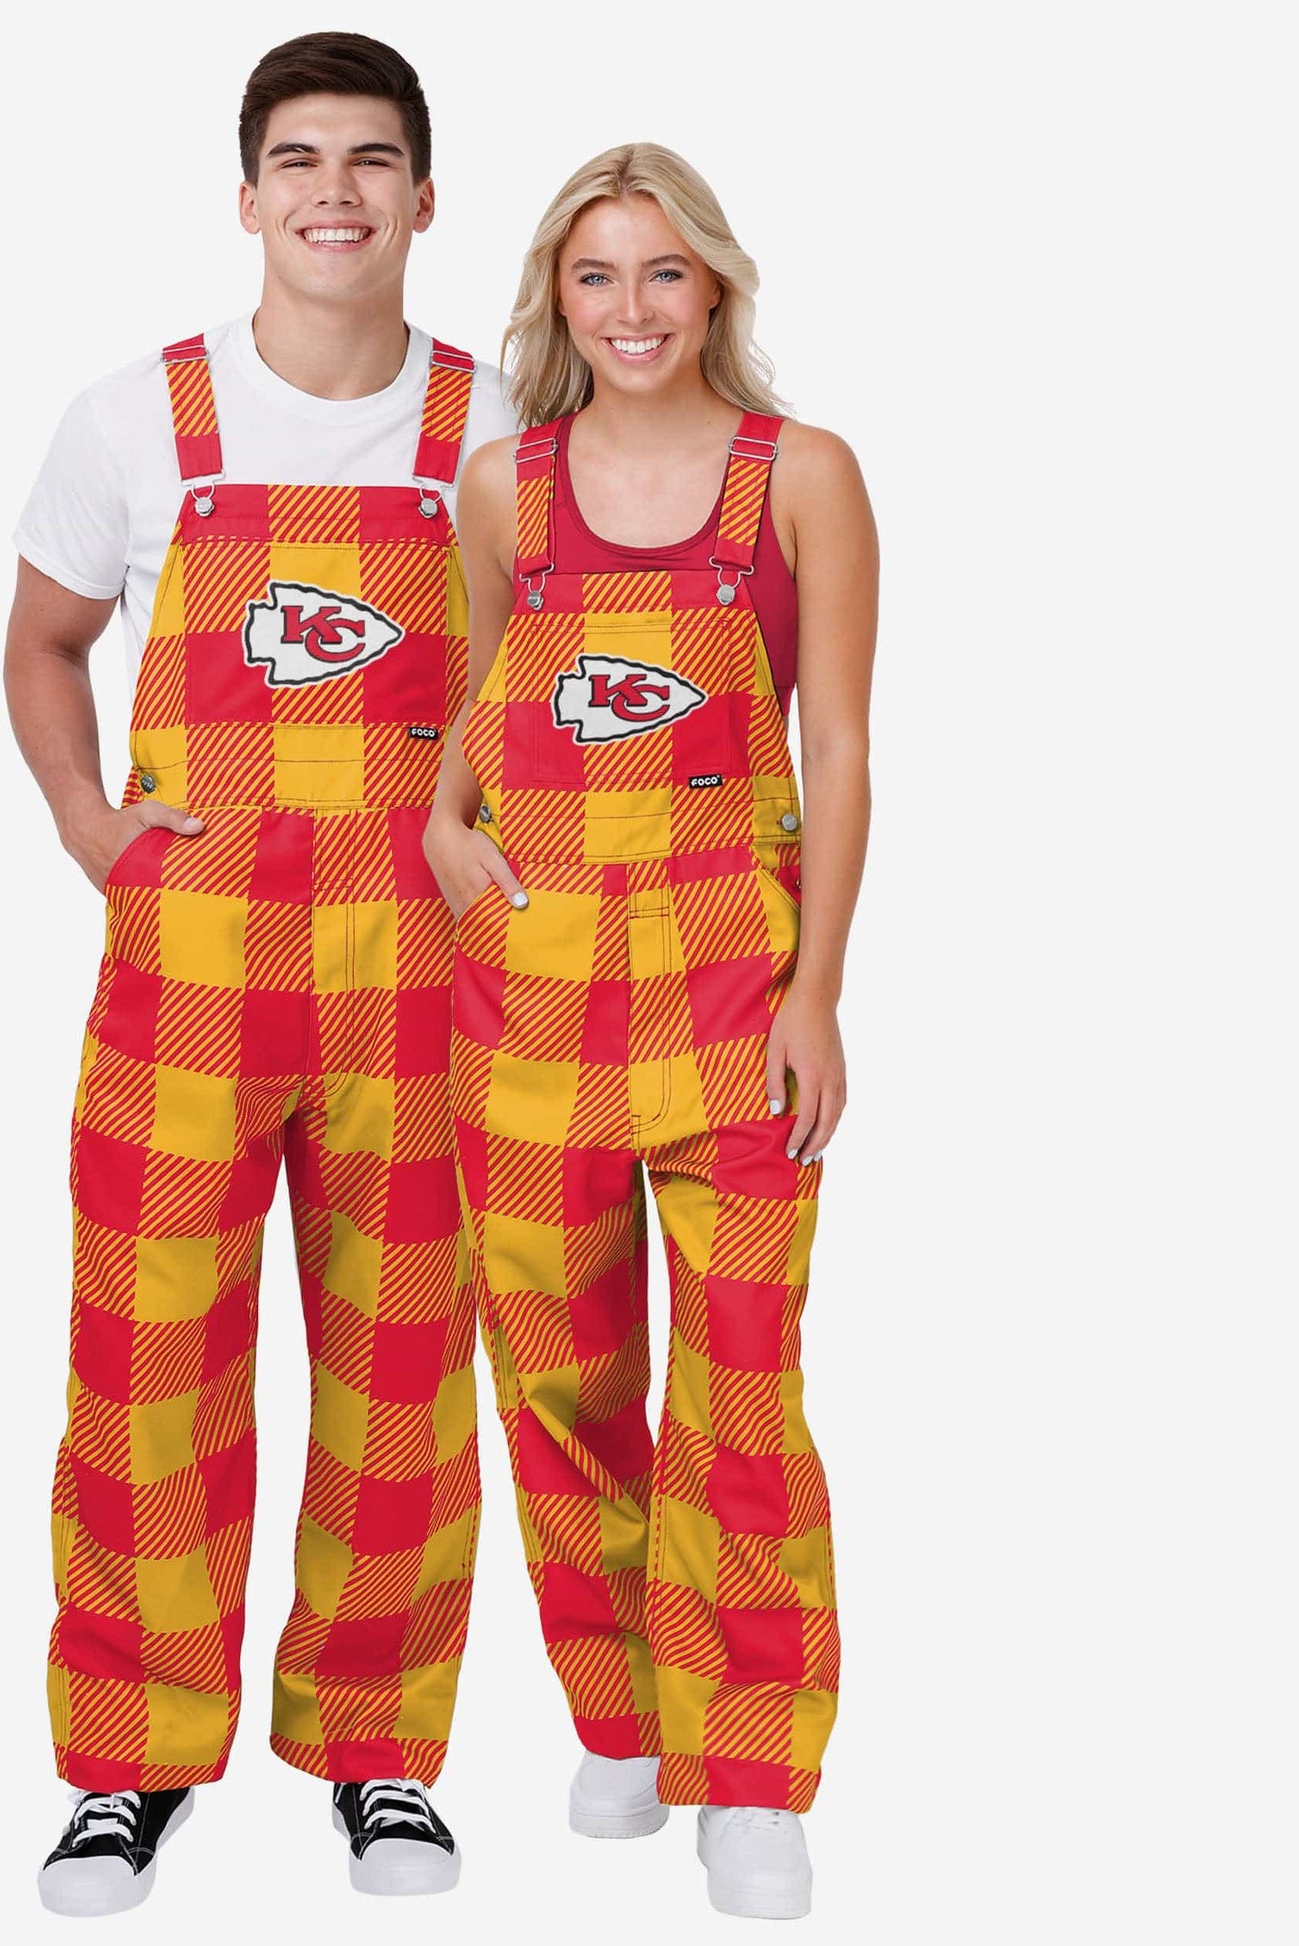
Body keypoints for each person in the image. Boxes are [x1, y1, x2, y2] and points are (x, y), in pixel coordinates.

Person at [5, 32, 514, 1914]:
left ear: (424, 197)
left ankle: (379, 1749)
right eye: (298, 160)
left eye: (370, 160)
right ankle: (127, 1761)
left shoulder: (498, 427)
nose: (333, 193)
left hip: (424, 980)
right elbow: (43, 641)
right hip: (188, 978)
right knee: (146, 1363)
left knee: (403, 1375)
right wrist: (88, 822)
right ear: (246, 198)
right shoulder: (133, 419)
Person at [425, 144, 877, 1921]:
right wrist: (446, 828)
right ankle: (621, 1713)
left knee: (741, 1387)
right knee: (558, 1372)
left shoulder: (800, 473)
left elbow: (836, 745)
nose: (631, 309)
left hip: (730, 982)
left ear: (715, 288)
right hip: (530, 987)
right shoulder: (501, 484)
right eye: (596, 274)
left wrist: (817, 988)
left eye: (663, 272)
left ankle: (748, 1770)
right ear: (556, 295)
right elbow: (478, 687)